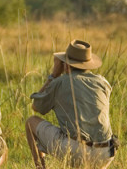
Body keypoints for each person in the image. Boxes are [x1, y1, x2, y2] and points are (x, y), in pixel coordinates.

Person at [25, 40, 118, 169]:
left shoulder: (60, 82)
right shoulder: (103, 82)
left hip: (76, 151)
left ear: (66, 65)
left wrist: (53, 75)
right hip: (106, 152)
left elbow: (36, 107)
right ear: (88, 64)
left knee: (31, 122)